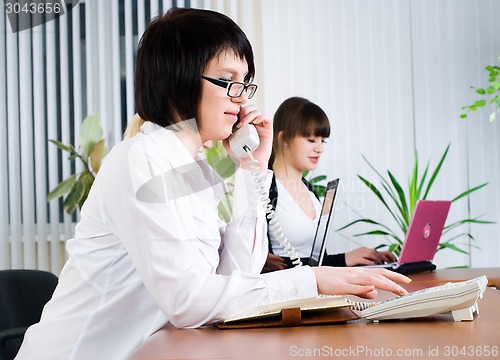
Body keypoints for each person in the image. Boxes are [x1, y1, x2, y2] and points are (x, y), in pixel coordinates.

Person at [16, 8, 409, 360]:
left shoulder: (199, 172)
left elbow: (237, 273)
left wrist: (251, 167)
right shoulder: (141, 158)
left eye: (245, 83)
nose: (240, 97)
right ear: (179, 79)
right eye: (227, 80)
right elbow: (186, 300)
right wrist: (312, 278)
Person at [263, 97, 397, 273]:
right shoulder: (264, 188)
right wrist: (345, 260)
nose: (320, 148)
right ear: (283, 138)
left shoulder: (310, 191)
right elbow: (269, 268)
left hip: (317, 291)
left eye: (322, 140)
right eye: (311, 140)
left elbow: (318, 263)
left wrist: (359, 259)